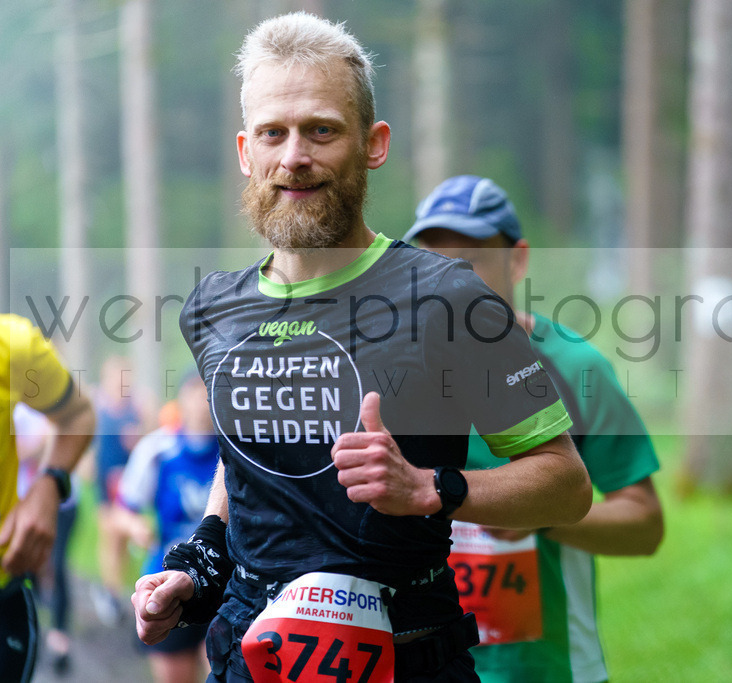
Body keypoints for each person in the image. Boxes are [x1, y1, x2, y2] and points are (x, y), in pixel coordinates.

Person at [131, 12, 591, 683]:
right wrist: (200, 560)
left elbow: (567, 484)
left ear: (373, 143)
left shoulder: (449, 297)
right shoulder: (214, 309)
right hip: (244, 660)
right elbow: (245, 466)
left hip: (413, 657)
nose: (295, 156)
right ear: (245, 151)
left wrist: (430, 488)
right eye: (273, 133)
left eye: (322, 129)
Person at [405, 175, 664, 683]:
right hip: (426, 667)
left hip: (549, 669)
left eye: (470, 259)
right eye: (431, 260)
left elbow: (645, 524)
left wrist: (543, 514)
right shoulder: (393, 375)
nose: (449, 277)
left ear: (517, 260)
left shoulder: (575, 366)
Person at [1, 313, 95, 682]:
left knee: (57, 569)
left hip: (5, 589)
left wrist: (49, 485)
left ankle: (61, 634)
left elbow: (79, 415)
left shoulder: (15, 346)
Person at [118, 375, 218, 683]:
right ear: (182, 399)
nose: (203, 403)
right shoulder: (158, 449)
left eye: (209, 394)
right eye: (196, 393)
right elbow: (121, 510)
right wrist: (137, 527)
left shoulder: (234, 451)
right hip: (168, 579)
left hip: (222, 581)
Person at [15, 404, 79, 677]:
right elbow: (16, 454)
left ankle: (60, 633)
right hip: (24, 499)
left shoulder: (62, 404)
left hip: (62, 502)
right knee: (26, 562)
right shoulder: (16, 411)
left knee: (57, 561)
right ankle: (30, 626)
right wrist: (40, 442)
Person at [91, 355, 144, 625]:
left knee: (121, 538)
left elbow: (146, 443)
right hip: (104, 480)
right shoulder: (98, 406)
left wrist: (137, 439)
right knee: (109, 534)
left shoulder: (137, 407)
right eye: (115, 375)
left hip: (128, 481)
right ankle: (110, 591)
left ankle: (115, 589)